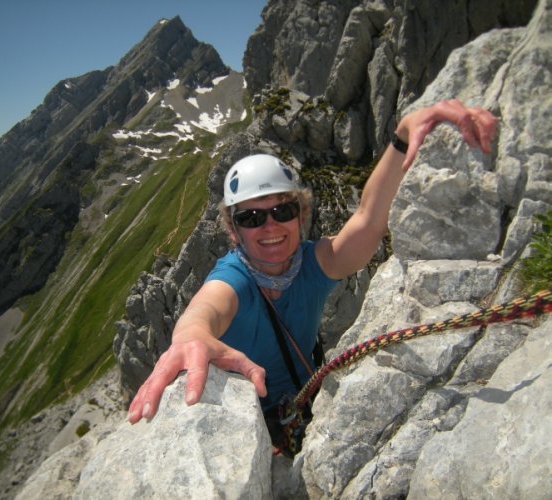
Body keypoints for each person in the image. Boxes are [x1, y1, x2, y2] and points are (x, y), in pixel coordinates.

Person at [127, 99, 497, 437]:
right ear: (232, 230)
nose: (270, 227)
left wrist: (402, 137)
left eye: (282, 211)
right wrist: (192, 336)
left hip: (307, 406)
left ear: (302, 216)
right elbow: (206, 309)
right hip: (252, 426)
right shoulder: (233, 280)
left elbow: (368, 220)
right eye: (252, 217)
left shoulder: (314, 265)